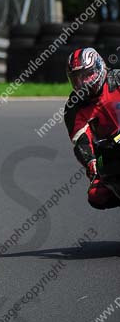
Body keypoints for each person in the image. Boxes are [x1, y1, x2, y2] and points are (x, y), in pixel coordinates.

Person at [64, 47, 120, 210]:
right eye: (77, 79)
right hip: (107, 152)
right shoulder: (74, 106)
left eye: (87, 75)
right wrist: (91, 162)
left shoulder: (117, 79)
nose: (82, 83)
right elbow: (80, 139)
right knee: (97, 195)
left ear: (99, 67)